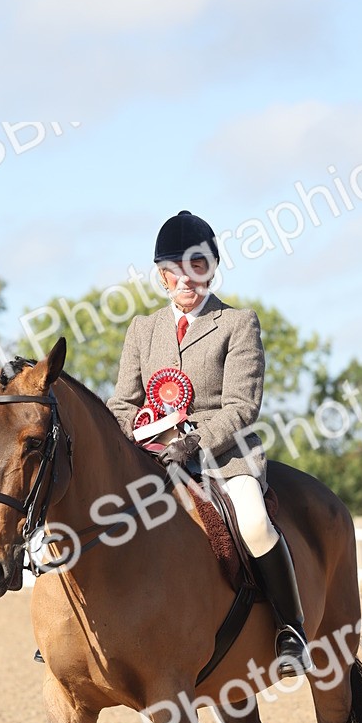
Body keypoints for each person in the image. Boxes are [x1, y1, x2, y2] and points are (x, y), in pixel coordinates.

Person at [106, 209, 312, 676]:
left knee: (256, 524)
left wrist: (194, 442)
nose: (185, 280)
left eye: (196, 267)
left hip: (223, 456)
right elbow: (122, 403)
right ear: (162, 277)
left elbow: (242, 406)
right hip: (152, 457)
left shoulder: (238, 323)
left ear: (212, 268)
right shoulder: (142, 329)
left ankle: (290, 628)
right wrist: (139, 441)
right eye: (174, 271)